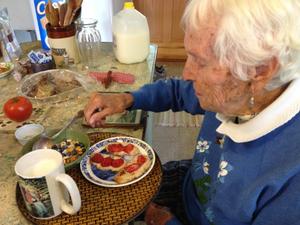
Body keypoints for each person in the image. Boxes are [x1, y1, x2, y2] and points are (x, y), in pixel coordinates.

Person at [84, 0, 300, 224]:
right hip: (193, 185)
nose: (186, 73)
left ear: (260, 69)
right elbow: (179, 91)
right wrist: (126, 98)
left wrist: (165, 222)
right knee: (96, 192)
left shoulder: (292, 180)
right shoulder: (234, 94)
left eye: (201, 62)